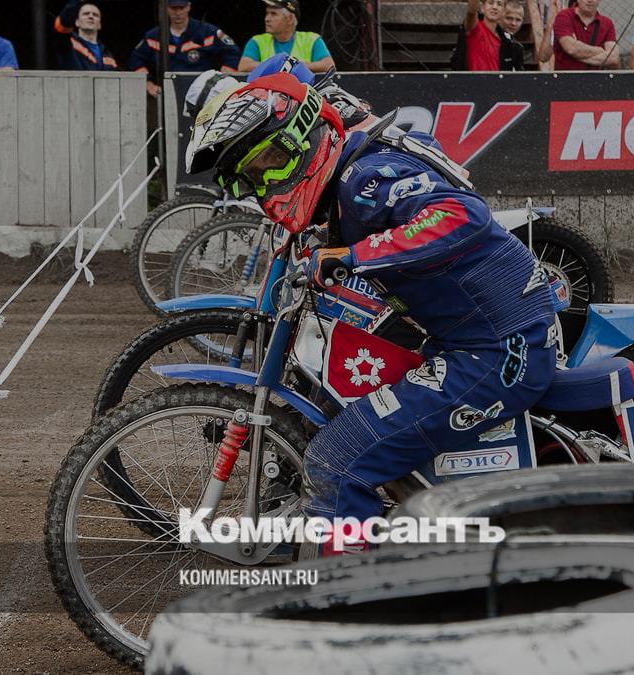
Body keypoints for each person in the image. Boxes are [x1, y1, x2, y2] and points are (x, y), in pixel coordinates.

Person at [186, 74, 558, 549]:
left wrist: (353, 255)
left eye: (271, 162)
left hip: (496, 353)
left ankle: (348, 588)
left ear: (302, 139)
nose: (267, 182)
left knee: (336, 461)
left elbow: (463, 215)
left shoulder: (364, 176)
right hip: (476, 338)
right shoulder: (355, 164)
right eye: (254, 175)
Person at [129, 0, 239, 97]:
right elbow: (135, 60)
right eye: (173, 8)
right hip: (167, 92)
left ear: (189, 7)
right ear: (166, 8)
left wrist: (223, 77)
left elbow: (233, 53)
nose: (178, 13)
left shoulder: (208, 32)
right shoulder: (153, 36)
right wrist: (148, 83)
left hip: (202, 92)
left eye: (181, 8)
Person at [238, 0, 334, 74]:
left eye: (273, 14)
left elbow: (329, 65)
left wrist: (291, 66)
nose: (267, 19)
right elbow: (243, 66)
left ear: (290, 19)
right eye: (267, 13)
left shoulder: (312, 39)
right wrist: (282, 65)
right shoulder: (257, 41)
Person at [551, 0, 619, 70]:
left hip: (595, 76)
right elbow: (571, 48)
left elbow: (613, 58)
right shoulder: (564, 16)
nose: (590, 1)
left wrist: (576, 54)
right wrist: (600, 51)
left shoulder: (607, 23)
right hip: (566, 75)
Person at [54, 1, 118, 71]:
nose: (91, 16)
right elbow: (62, 24)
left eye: (95, 15)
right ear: (77, 22)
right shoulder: (68, 42)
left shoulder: (107, 54)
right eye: (86, 14)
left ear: (100, 25)